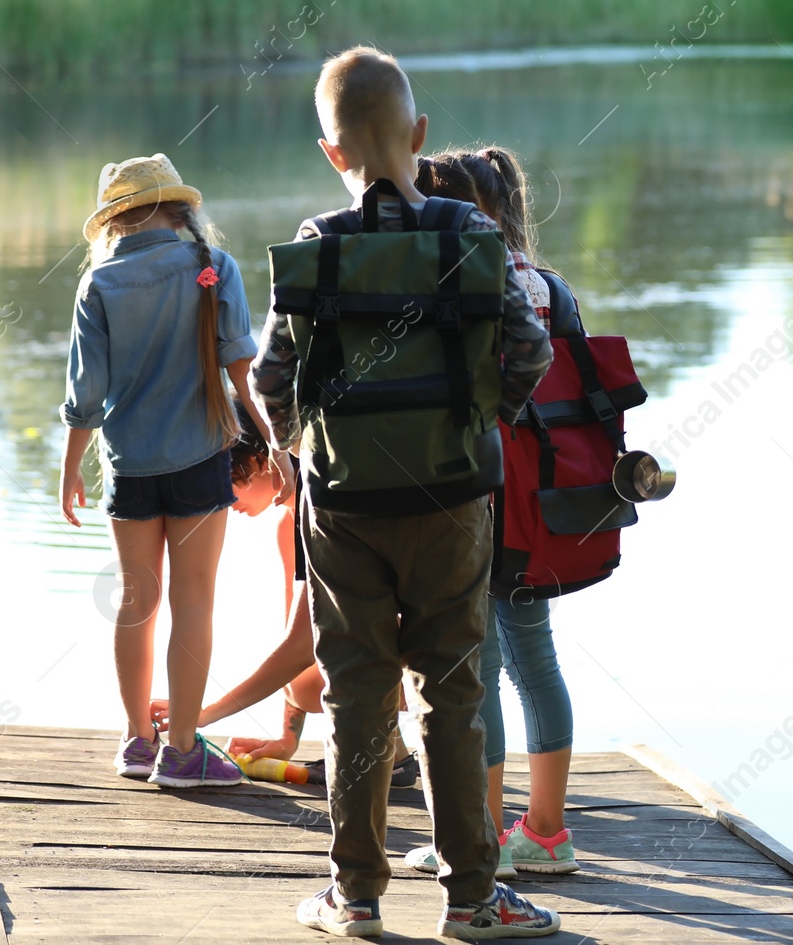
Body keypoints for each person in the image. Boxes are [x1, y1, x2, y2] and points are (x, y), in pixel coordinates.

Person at [252, 46, 557, 940]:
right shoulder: (470, 236)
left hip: (344, 501)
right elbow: (530, 348)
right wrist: (481, 419)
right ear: (420, 137)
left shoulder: (317, 246)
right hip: (454, 495)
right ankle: (472, 900)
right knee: (453, 693)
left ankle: (355, 899)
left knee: (356, 696)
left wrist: (288, 445)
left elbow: (274, 379)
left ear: (329, 152)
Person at [59, 152, 288, 789]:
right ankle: (183, 750)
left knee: (136, 602)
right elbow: (245, 372)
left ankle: (137, 742)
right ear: (181, 208)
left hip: (128, 465)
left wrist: (70, 468)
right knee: (194, 601)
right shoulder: (213, 267)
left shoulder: (98, 283)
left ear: (115, 221)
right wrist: (276, 443)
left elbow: (86, 390)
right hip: (198, 459)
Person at [402, 148, 579, 879]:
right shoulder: (551, 287)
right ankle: (545, 831)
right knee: (536, 661)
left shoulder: (453, 278)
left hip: (474, 489)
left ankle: (479, 837)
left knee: (477, 666)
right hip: (541, 500)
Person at [147, 401, 420, 787]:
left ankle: (386, 755)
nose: (220, 498)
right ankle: (390, 751)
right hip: (388, 635)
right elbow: (301, 638)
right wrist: (287, 740)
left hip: (440, 645)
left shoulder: (327, 499)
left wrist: (201, 714)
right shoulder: (286, 524)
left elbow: (300, 645)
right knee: (307, 682)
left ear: (264, 460)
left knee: (336, 652)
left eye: (226, 481)